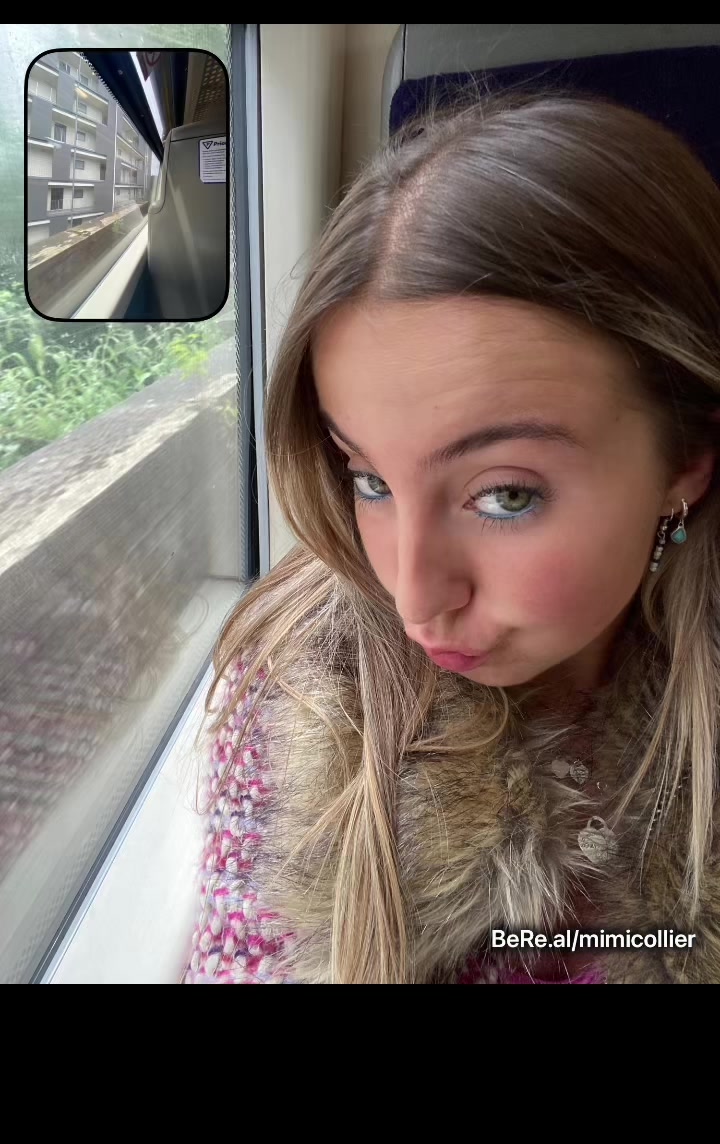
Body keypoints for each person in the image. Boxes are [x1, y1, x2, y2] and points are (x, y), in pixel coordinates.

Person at [184, 91, 720, 984]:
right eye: (369, 480)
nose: (411, 596)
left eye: (504, 494)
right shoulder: (298, 695)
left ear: (688, 459)